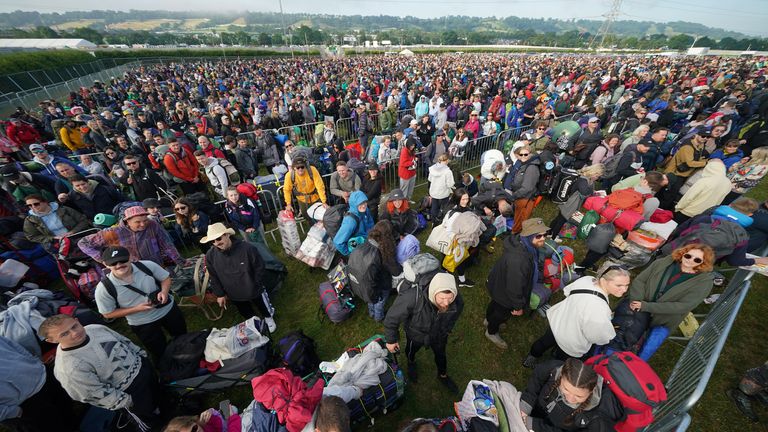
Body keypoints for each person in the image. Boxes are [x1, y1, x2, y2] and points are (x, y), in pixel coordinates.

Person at [39, 315, 159, 427]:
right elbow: (92, 394)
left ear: (77, 320)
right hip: (130, 392)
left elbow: (123, 340)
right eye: (64, 334)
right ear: (52, 340)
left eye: (74, 326)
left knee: (159, 397)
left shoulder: (95, 328)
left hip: (143, 369)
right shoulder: (68, 368)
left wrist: (141, 356)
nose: (75, 333)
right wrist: (126, 401)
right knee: (149, 417)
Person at [523, 264, 631, 368]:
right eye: (619, 285)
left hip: (559, 321)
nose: (624, 289)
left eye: (627, 285)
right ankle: (550, 370)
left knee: (544, 342)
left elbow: (567, 291)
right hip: (571, 340)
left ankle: (530, 358)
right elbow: (598, 337)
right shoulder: (600, 310)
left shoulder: (587, 279)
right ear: (603, 280)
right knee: (560, 360)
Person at [94, 246, 187, 361]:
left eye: (123, 261)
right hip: (142, 323)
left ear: (130, 258)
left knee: (183, 338)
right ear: (105, 264)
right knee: (159, 351)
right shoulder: (104, 288)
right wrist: (136, 309)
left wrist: (164, 292)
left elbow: (165, 278)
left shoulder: (147, 265)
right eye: (113, 263)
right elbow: (107, 314)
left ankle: (191, 358)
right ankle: (170, 368)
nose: (119, 265)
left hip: (168, 310)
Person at [627, 244, 716, 360]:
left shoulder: (704, 283)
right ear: (683, 253)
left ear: (703, 263)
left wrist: (646, 306)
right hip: (638, 307)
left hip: (662, 319)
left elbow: (682, 306)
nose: (690, 260)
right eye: (688, 256)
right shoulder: (663, 263)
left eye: (697, 259)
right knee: (624, 332)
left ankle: (632, 361)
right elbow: (640, 280)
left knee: (644, 345)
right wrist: (636, 301)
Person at [384, 272, 464, 393]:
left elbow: (454, 316)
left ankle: (442, 375)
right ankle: (411, 363)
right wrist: (390, 340)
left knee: (441, 355)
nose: (447, 303)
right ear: (433, 292)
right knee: (411, 350)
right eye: (442, 298)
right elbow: (392, 317)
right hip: (415, 334)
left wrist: (446, 329)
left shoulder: (458, 301)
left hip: (439, 336)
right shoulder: (412, 297)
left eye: (450, 298)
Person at [484, 218, 549, 350]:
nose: (543, 238)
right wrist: (518, 306)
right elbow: (515, 287)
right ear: (529, 235)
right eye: (538, 236)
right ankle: (491, 331)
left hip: (499, 283)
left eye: (545, 235)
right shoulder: (519, 259)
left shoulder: (523, 244)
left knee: (495, 304)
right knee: (501, 312)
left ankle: (488, 320)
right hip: (506, 292)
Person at [202, 223, 277, 332]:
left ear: (227, 235)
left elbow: (259, 267)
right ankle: (254, 322)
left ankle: (268, 318)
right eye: (212, 241)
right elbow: (213, 275)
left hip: (253, 287)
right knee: (245, 310)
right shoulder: (210, 255)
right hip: (233, 292)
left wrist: (256, 283)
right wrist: (220, 294)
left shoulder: (247, 248)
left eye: (218, 238)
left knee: (262, 304)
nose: (216, 243)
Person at [520, 358, 623, 432]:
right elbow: (536, 379)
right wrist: (526, 404)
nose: (570, 398)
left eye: (579, 396)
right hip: (534, 413)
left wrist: (535, 426)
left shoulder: (598, 419)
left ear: (591, 391)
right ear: (560, 377)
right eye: (565, 389)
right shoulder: (553, 368)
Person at [0, 335, 77, 432]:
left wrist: (33, 362)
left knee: (67, 411)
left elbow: (13, 345)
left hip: (41, 375)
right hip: (22, 405)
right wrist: (14, 412)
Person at [79, 205, 183, 267]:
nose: (143, 224)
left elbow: (166, 243)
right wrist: (103, 258)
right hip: (132, 270)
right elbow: (83, 243)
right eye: (138, 222)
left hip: (156, 265)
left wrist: (179, 260)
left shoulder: (152, 224)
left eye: (145, 220)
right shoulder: (113, 231)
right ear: (127, 221)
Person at [349, 220, 402, 322]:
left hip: (365, 283)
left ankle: (371, 312)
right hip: (379, 284)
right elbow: (396, 271)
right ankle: (379, 317)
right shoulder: (383, 252)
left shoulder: (366, 243)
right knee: (380, 301)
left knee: (371, 299)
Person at [674, 159, 731, 223]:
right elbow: (719, 200)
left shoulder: (705, 180)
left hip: (688, 212)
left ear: (710, 167)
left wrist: (678, 207)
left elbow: (689, 197)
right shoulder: (728, 183)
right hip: (703, 215)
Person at [23, 194, 90, 248]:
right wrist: (53, 238)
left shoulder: (64, 209)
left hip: (79, 236)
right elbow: (32, 236)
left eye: (36, 204)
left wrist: (73, 232)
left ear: (45, 202)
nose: (33, 207)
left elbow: (83, 220)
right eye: (29, 205)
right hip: (58, 245)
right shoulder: (30, 220)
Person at [503, 145, 541, 233]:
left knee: (520, 219)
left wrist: (514, 196)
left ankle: (515, 234)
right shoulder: (525, 163)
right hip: (519, 196)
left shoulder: (532, 168)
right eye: (521, 154)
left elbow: (527, 188)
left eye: (526, 154)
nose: (523, 156)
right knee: (517, 216)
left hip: (525, 198)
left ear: (531, 154)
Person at [283, 156, 328, 220]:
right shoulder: (289, 175)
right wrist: (288, 204)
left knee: (321, 216)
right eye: (298, 167)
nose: (300, 169)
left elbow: (320, 186)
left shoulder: (312, 170)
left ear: (305, 166)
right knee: (307, 217)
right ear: (294, 168)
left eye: (302, 167)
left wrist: (324, 201)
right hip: (302, 200)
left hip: (316, 197)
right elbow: (287, 190)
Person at [333, 190, 375, 256]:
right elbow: (338, 242)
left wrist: (372, 235)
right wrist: (350, 254)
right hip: (358, 248)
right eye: (360, 203)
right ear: (354, 204)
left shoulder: (366, 210)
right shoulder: (350, 221)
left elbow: (370, 223)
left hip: (367, 241)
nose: (363, 206)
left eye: (364, 202)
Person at [427, 153, 455, 224]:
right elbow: (450, 184)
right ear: (447, 160)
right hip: (443, 193)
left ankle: (434, 221)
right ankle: (443, 221)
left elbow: (430, 179)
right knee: (445, 207)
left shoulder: (433, 168)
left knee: (434, 207)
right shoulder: (448, 172)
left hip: (434, 192)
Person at [399, 136, 419, 201]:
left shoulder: (412, 150)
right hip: (405, 174)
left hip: (412, 173)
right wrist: (412, 162)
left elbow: (412, 158)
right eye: (411, 145)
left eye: (413, 145)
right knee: (404, 190)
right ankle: (403, 203)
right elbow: (403, 163)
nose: (412, 146)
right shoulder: (404, 150)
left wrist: (414, 159)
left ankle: (408, 200)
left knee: (410, 189)